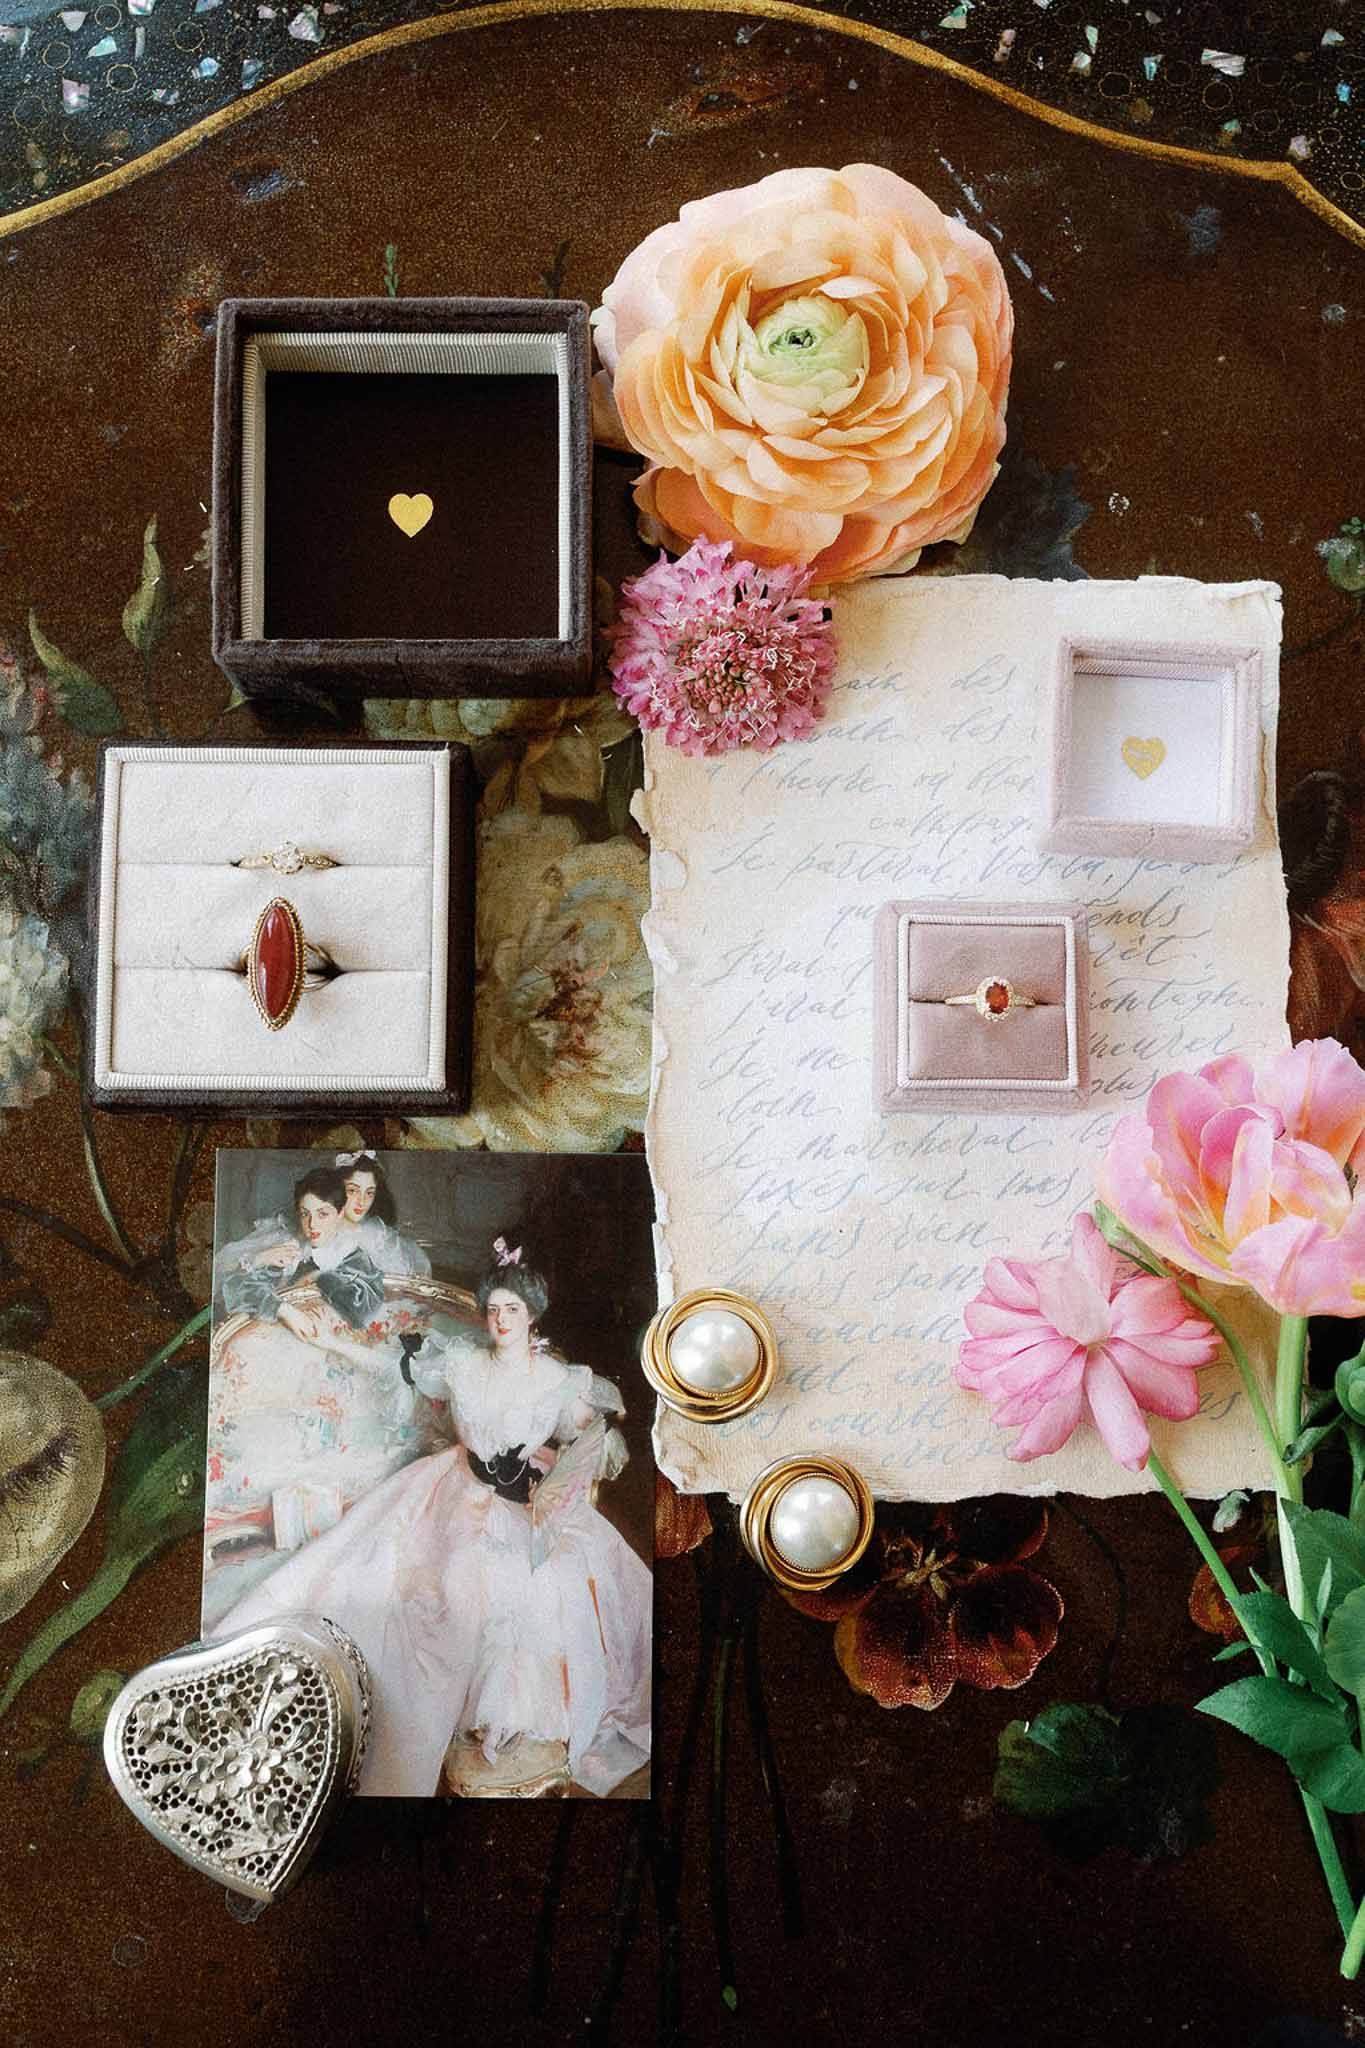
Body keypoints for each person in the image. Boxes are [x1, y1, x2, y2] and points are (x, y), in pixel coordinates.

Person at [211, 1240, 651, 1799]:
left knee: (542, 1582)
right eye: (493, 1310)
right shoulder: (463, 1363)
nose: (499, 1321)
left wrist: (568, 1467)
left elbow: (592, 1436)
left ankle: (509, 1722)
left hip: (523, 1503)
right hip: (452, 1487)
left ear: (532, 1315)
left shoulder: (560, 1382)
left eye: (512, 1311)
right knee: (419, 1581)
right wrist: (332, 1343)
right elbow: (396, 1371)